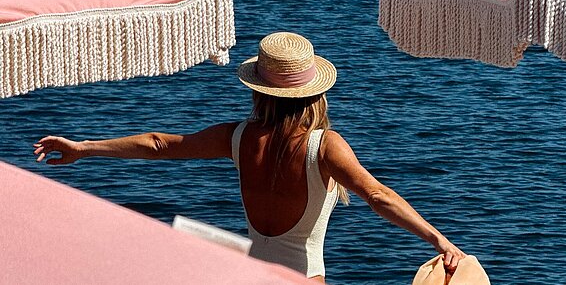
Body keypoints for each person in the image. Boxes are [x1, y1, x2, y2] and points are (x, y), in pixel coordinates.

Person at [34, 32, 465, 282]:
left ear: (259, 89)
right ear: (316, 93)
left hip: (253, 276)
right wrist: (438, 240)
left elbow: (160, 143)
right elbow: (378, 196)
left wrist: (83, 148)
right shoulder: (324, 146)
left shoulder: (238, 137)